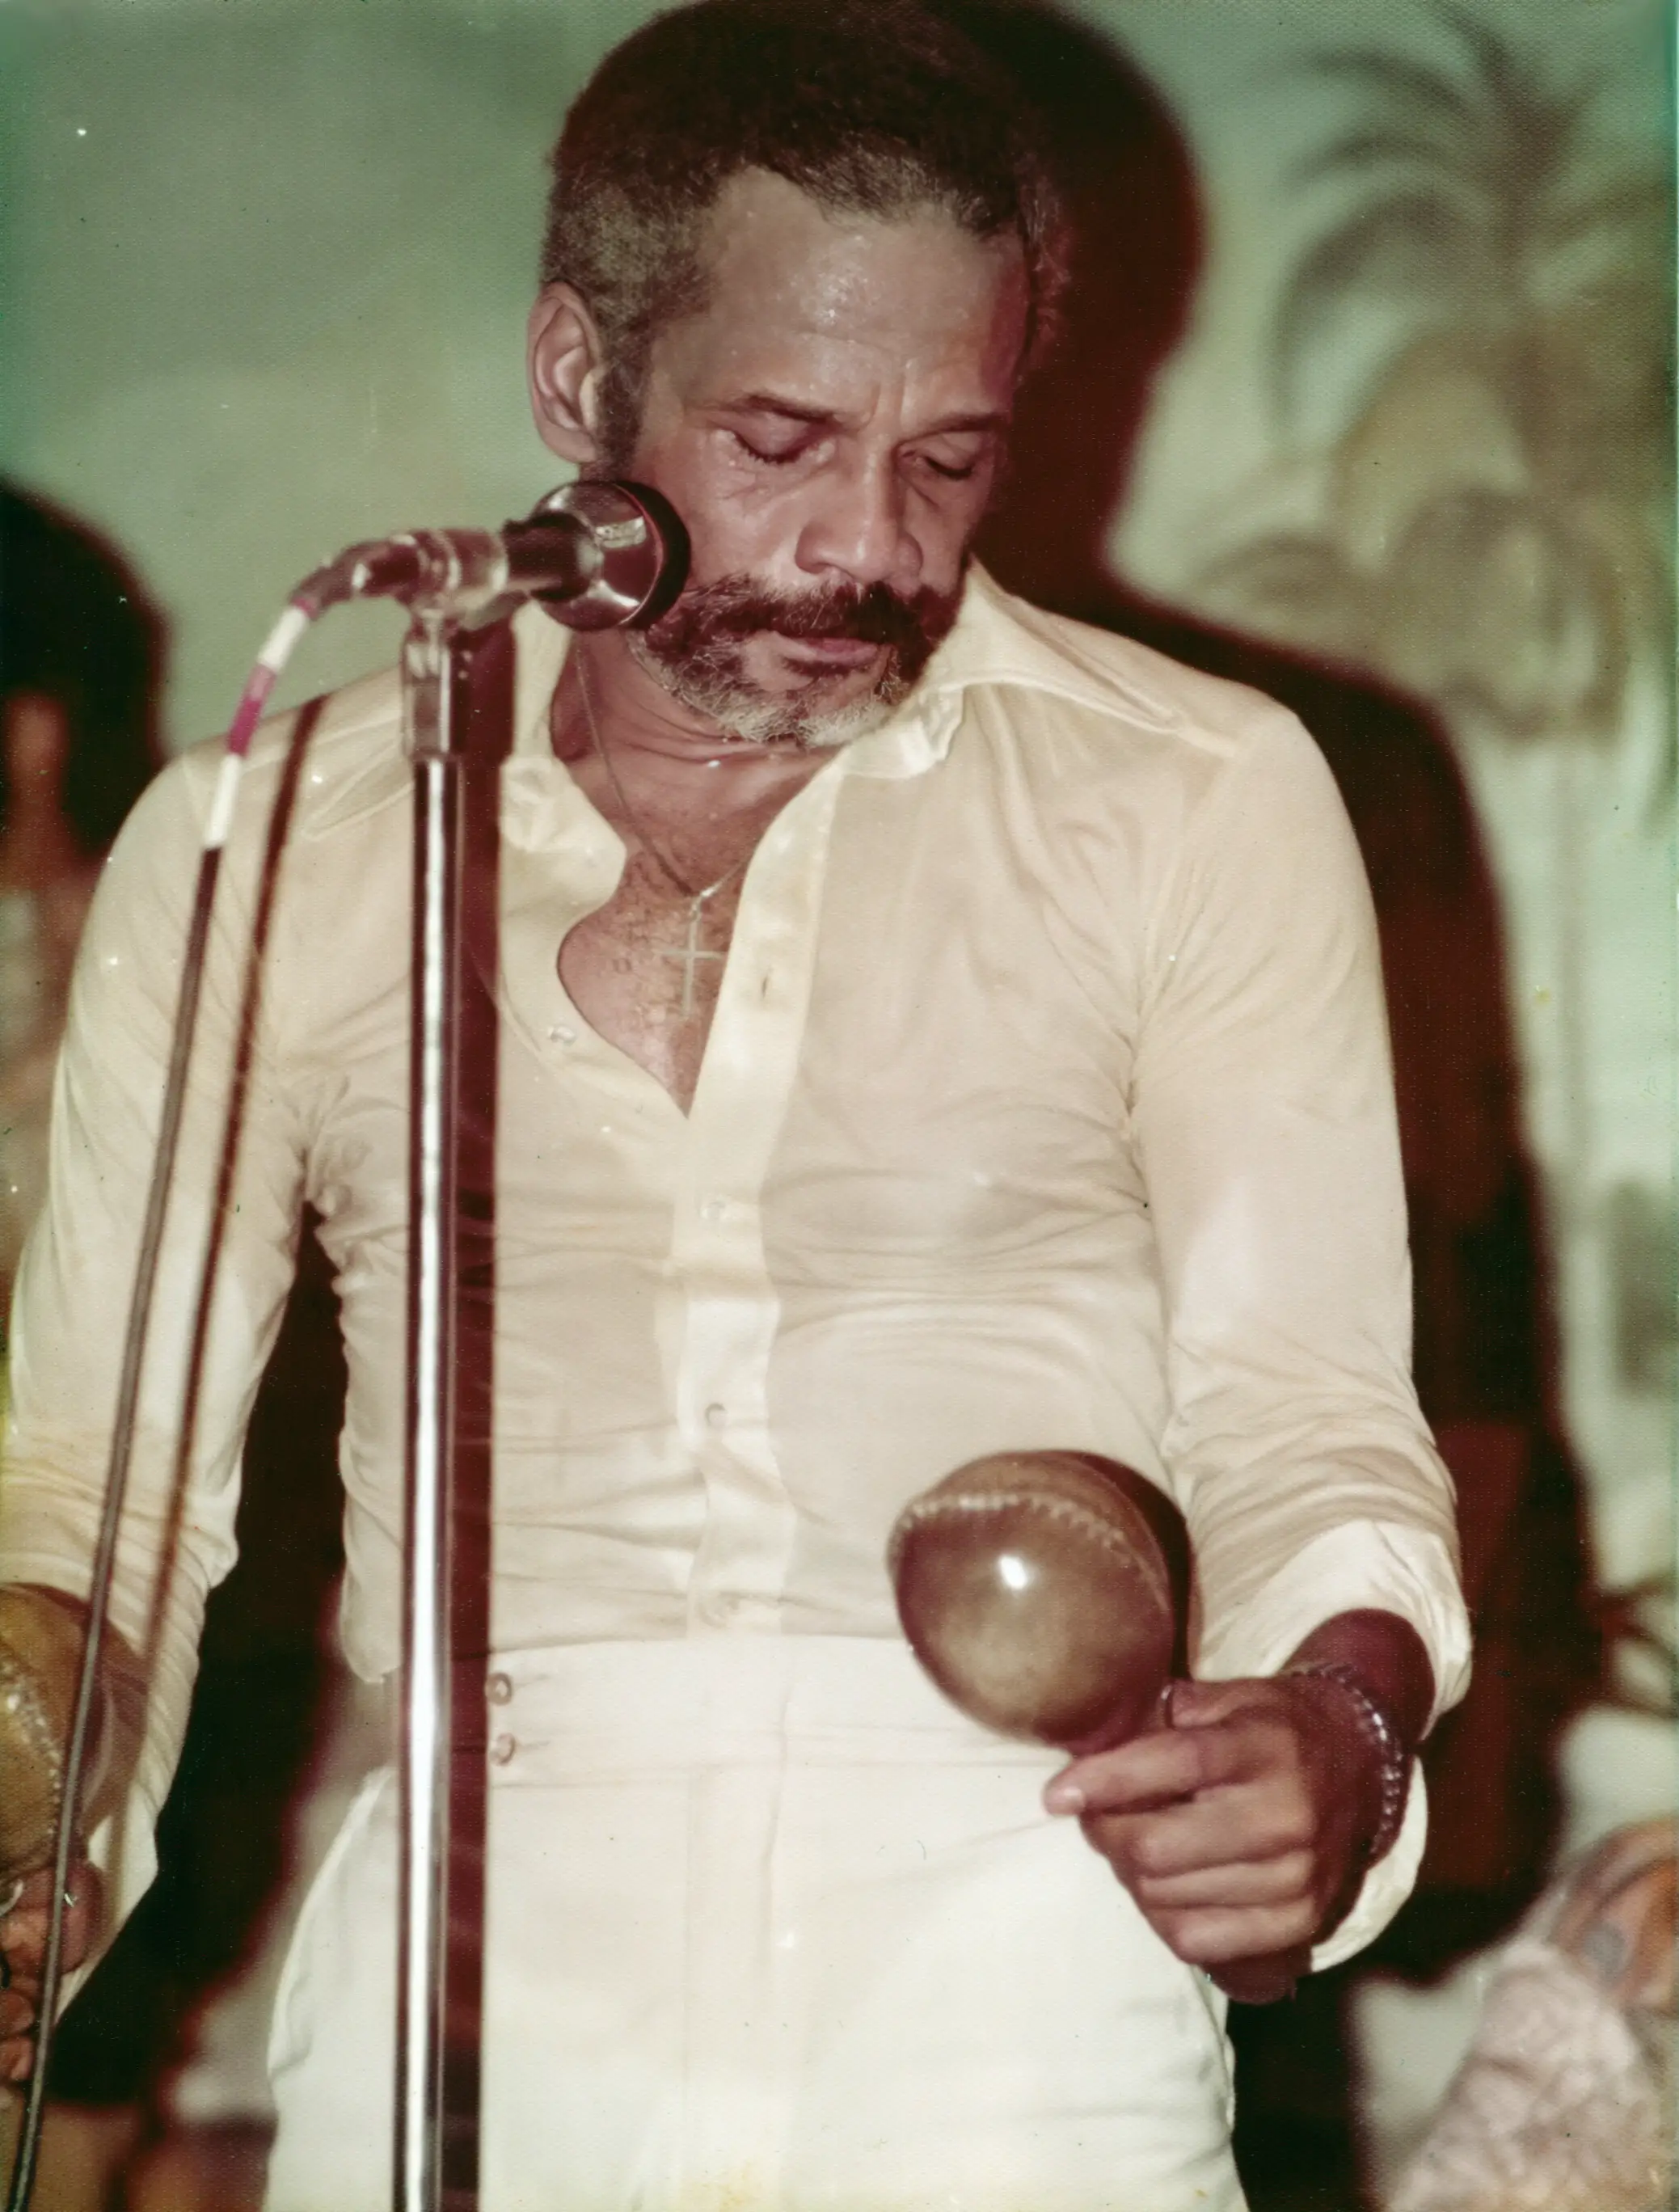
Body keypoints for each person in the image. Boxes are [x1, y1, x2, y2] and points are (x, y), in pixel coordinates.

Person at [0, 5, 1471, 2206]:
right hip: (469, 1966)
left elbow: (1306, 1419)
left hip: (1017, 1952)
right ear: (577, 374)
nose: (864, 550)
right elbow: (93, 1502)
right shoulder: (267, 843)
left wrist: (1336, 1744)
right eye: (779, 436)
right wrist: (33, 1810)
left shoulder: (1196, 797)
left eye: (950, 457)